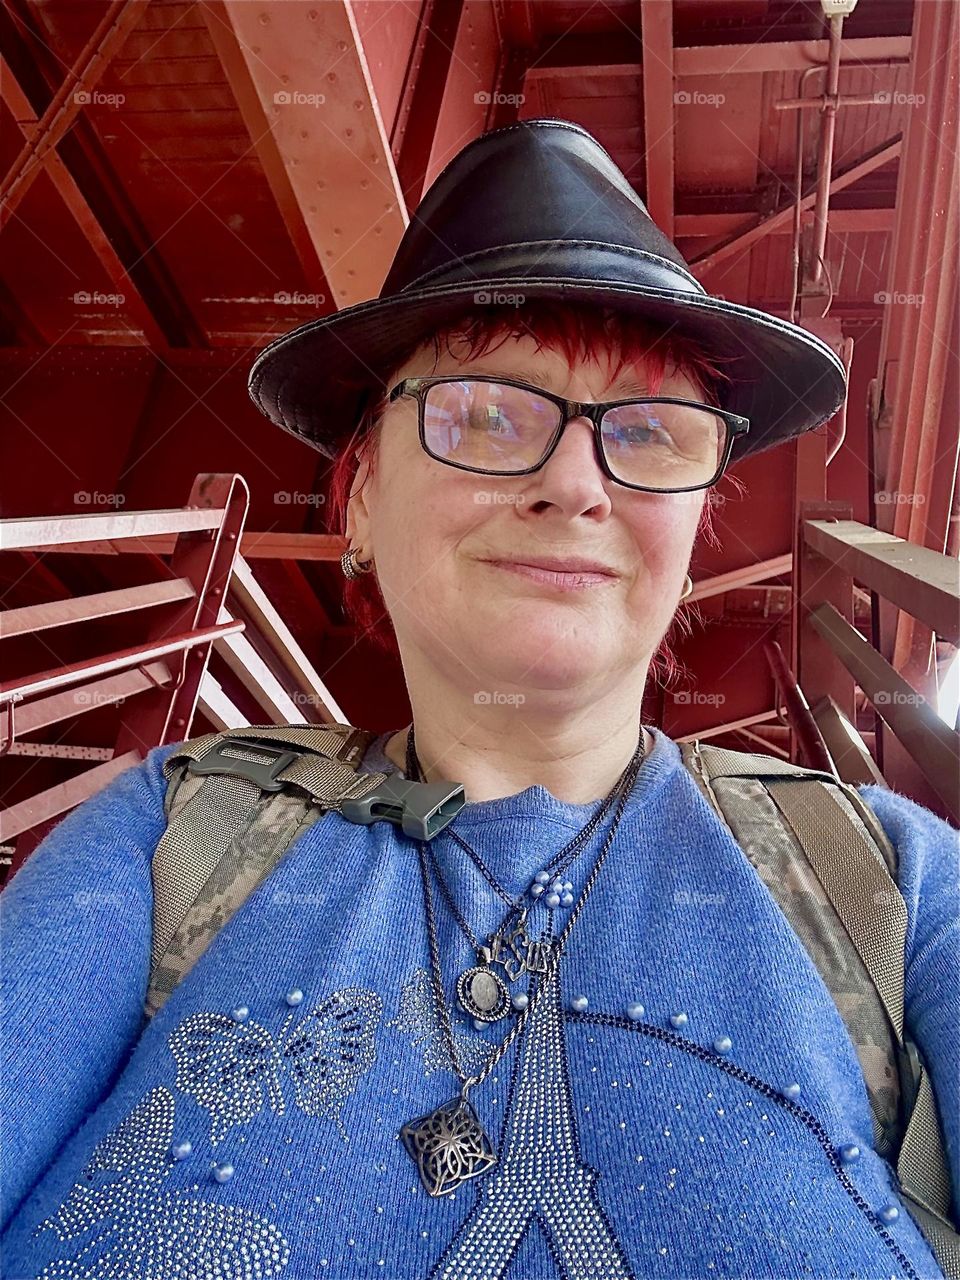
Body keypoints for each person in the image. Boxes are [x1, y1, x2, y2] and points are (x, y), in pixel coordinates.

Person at [2, 119, 957, 1280]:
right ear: (357, 500)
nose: (572, 482)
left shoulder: (894, 879)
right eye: (486, 412)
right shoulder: (174, 828)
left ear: (694, 529)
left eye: (648, 433)